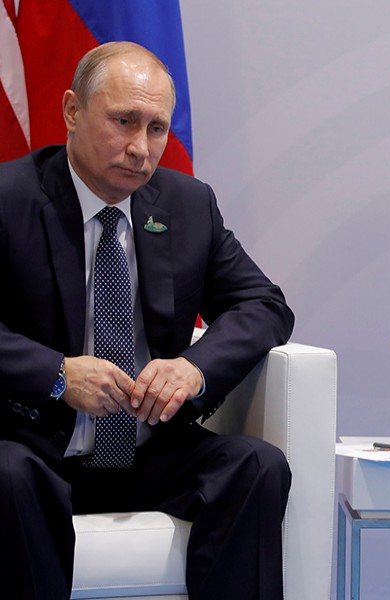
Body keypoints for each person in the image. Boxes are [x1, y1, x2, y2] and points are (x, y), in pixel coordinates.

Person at [0, 42, 294, 599]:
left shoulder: (186, 204)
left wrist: (194, 369)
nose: (141, 148)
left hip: (149, 449)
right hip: (34, 447)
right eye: (124, 121)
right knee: (8, 475)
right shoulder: (10, 198)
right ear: (71, 111)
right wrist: (57, 375)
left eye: (157, 128)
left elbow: (265, 304)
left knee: (257, 464)